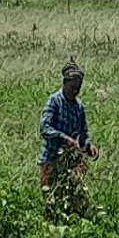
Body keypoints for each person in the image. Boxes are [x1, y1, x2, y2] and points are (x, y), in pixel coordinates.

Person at [39, 57, 100, 194]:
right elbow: (44, 128)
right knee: (51, 199)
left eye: (78, 88)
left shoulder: (79, 108)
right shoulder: (54, 102)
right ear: (65, 83)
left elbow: (83, 135)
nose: (75, 91)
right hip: (51, 159)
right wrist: (65, 138)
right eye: (72, 87)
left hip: (72, 162)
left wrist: (90, 147)